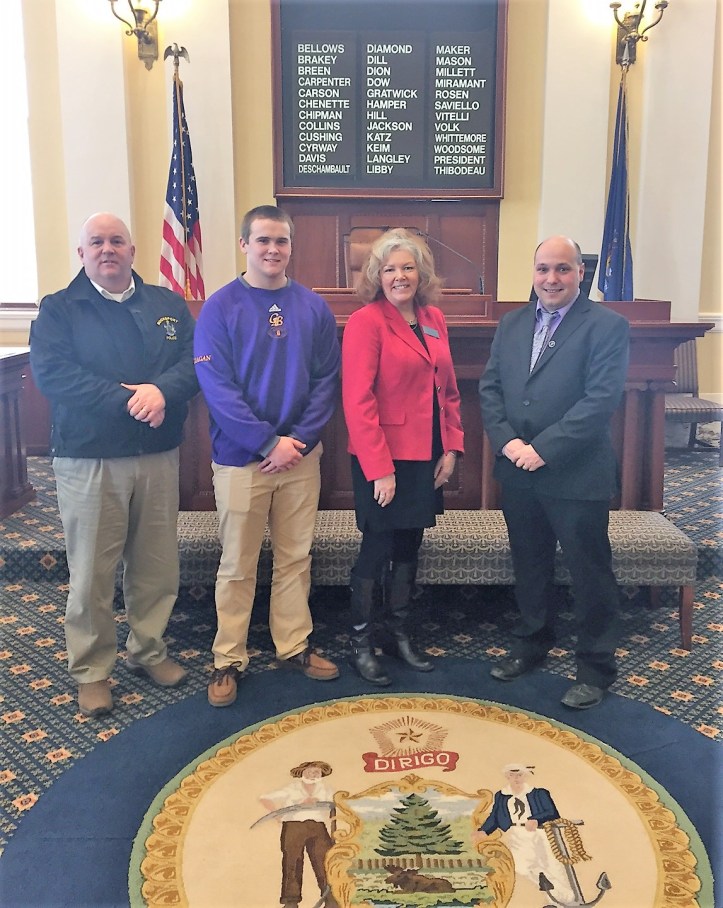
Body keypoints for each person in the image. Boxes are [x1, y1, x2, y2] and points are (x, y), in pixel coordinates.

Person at [29, 212, 199, 718]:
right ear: (82, 253)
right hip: (91, 457)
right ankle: (92, 670)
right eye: (97, 242)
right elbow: (54, 375)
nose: (108, 249)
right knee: (92, 574)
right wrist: (131, 400)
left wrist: (160, 392)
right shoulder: (60, 309)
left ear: (132, 250)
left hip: (156, 453)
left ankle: (149, 650)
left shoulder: (167, 304)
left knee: (155, 565)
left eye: (117, 241)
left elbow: (194, 363)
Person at [194, 205, 340, 708]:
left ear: (291, 247)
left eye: (281, 241)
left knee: (295, 557)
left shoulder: (313, 307)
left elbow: (326, 381)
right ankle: (228, 657)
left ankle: (293, 645)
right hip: (241, 459)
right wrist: (266, 442)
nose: (272, 250)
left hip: (300, 457)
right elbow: (218, 388)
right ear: (244, 245)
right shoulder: (219, 308)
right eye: (263, 240)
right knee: (237, 563)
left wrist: (295, 440)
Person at [479, 235, 629, 710]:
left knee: (589, 571)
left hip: (576, 473)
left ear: (580, 273)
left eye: (562, 269)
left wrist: (543, 449)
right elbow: (490, 389)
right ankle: (532, 642)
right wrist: (508, 442)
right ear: (533, 272)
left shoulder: (607, 326)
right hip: (518, 470)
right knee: (530, 564)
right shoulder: (512, 323)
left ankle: (595, 667)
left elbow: (600, 400)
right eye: (543, 269)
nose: (551, 278)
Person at [341, 228, 464, 686]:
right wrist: (380, 470)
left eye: (408, 267)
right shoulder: (366, 322)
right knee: (376, 548)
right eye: (390, 268)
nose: (400, 276)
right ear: (377, 275)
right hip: (382, 460)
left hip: (426, 454)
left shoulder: (434, 318)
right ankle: (360, 642)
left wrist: (451, 447)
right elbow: (358, 402)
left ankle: (397, 633)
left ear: (421, 272)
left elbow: (447, 391)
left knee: (411, 546)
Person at [473, 764, 575, 902]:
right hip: (516, 834)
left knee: (552, 865)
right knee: (522, 867)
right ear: (507, 776)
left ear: (525, 776)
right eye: (512, 775)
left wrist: (536, 819)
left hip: (540, 833)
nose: (516, 778)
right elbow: (495, 816)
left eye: (519, 775)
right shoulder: (501, 796)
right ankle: (558, 896)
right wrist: (484, 831)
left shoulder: (539, 793)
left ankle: (563, 900)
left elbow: (552, 812)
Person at [258, 760, 339, 908]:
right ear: (302, 772)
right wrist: (278, 815)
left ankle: (330, 899)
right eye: (309, 771)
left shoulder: (326, 789)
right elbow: (265, 798)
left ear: (321, 774)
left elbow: (337, 803)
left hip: (317, 827)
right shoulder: (292, 788)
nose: (313, 775)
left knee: (325, 862)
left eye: (316, 772)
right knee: (292, 862)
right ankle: (291, 901)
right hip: (293, 827)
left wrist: (319, 802)